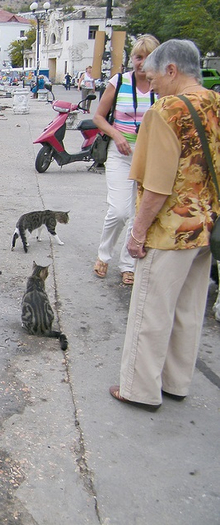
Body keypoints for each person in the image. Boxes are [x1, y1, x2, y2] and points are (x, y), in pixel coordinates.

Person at [110, 39, 220, 410]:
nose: (150, 83)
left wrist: (137, 232)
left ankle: (139, 389)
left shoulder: (165, 111)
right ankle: (176, 382)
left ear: (172, 70)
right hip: (205, 226)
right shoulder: (215, 102)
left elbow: (157, 184)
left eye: (153, 75)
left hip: (170, 231)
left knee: (150, 311)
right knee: (189, 310)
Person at [92, 35, 160, 285]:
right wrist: (116, 134)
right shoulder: (119, 82)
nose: (141, 63)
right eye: (138, 57)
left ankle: (128, 264)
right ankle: (103, 254)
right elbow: (99, 116)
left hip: (149, 157)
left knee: (140, 212)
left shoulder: (160, 86)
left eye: (147, 58)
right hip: (121, 154)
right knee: (119, 210)